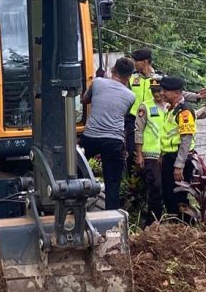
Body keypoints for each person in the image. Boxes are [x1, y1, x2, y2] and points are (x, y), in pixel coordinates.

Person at [80, 57, 136, 212]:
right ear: (130, 76)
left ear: (113, 70)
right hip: (114, 141)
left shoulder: (98, 82)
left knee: (75, 170)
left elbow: (84, 100)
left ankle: (75, 208)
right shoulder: (131, 96)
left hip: (90, 137)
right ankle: (111, 220)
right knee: (112, 183)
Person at [158, 75, 197, 219]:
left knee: (179, 198)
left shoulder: (184, 111)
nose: (162, 93)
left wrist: (179, 165)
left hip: (180, 159)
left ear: (176, 93)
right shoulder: (172, 109)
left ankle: (185, 227)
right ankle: (175, 227)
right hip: (170, 157)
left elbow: (186, 139)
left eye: (165, 91)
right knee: (168, 195)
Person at [134, 76, 165, 224]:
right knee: (155, 189)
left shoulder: (171, 107)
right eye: (153, 92)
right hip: (150, 155)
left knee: (166, 189)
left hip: (167, 155)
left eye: (159, 91)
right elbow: (138, 130)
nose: (157, 95)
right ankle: (152, 223)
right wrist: (139, 154)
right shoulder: (144, 107)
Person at [125, 48, 157, 153]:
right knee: (132, 151)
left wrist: (196, 97)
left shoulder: (158, 78)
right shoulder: (131, 77)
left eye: (136, 61)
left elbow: (173, 92)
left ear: (145, 62)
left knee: (150, 150)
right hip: (132, 119)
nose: (134, 63)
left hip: (152, 119)